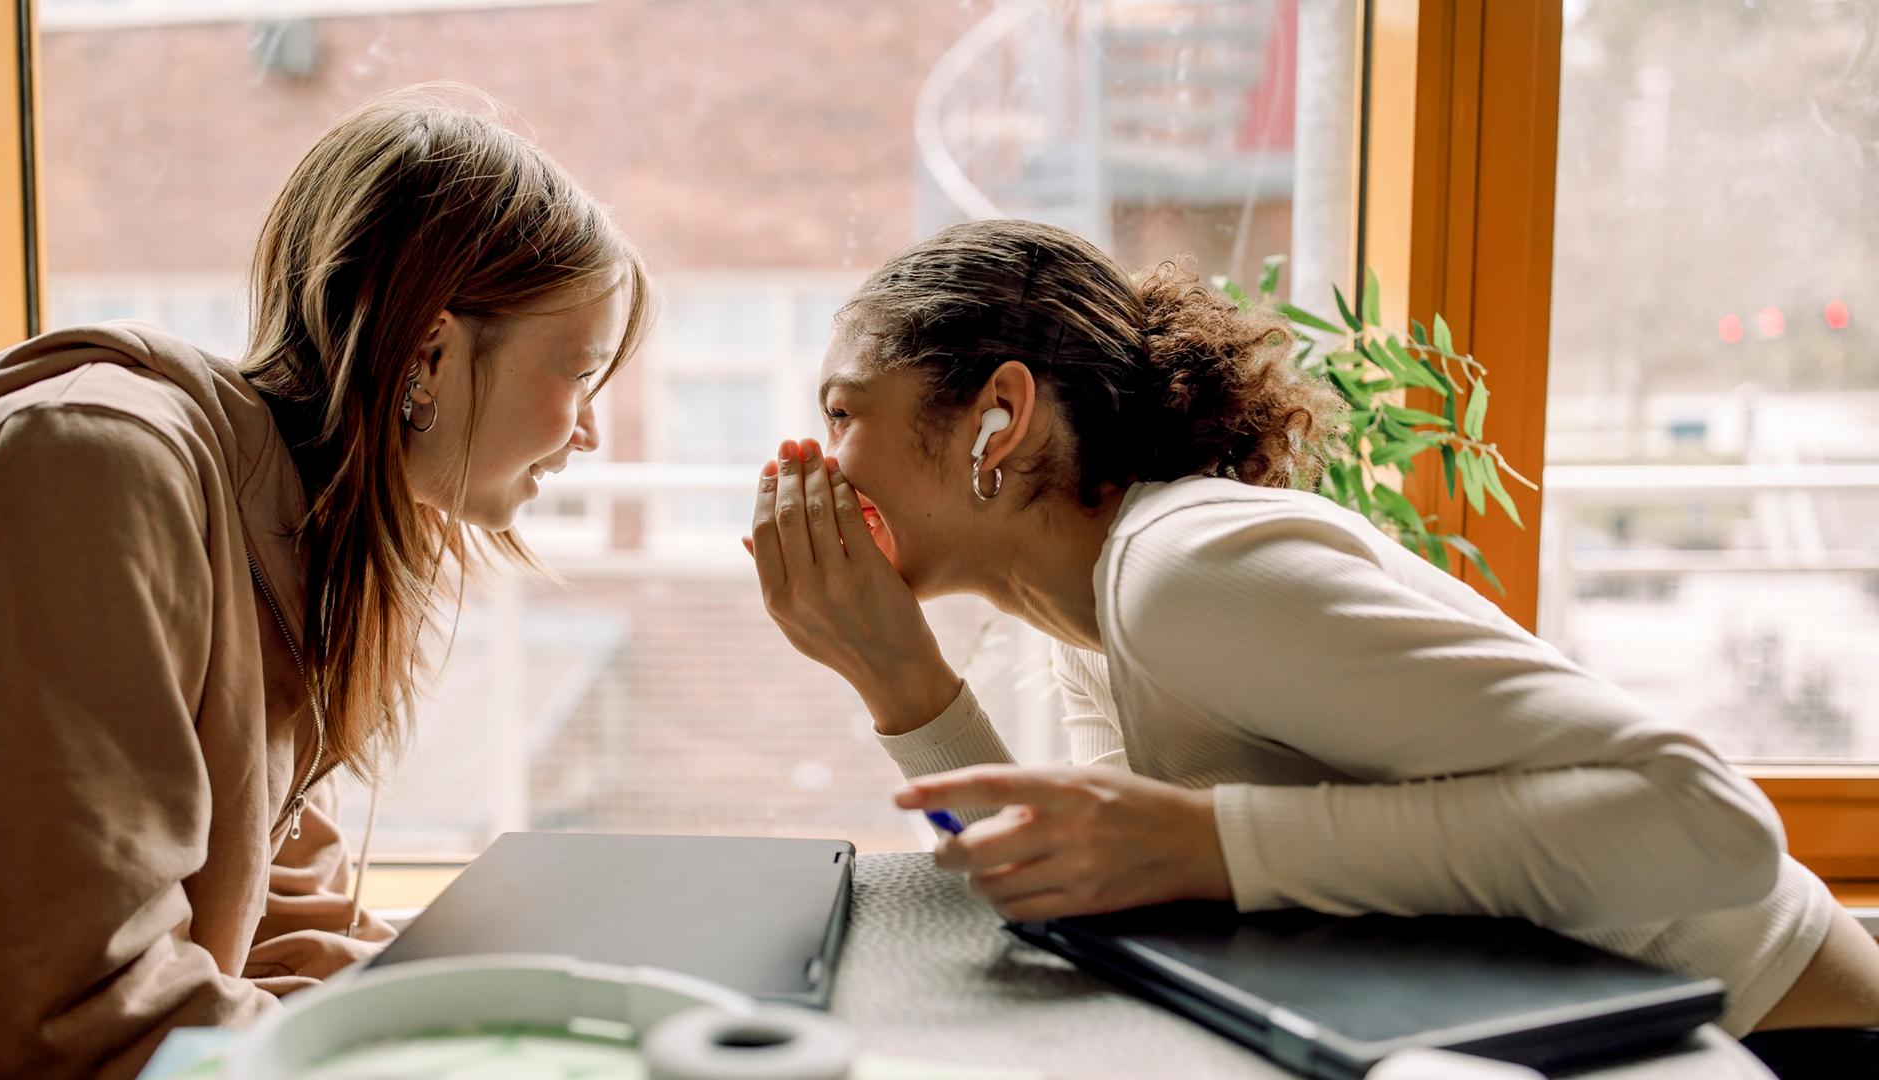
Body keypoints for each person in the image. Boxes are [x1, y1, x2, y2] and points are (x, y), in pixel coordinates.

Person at [746, 218, 1879, 1074]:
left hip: (1778, 1038)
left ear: (999, 416)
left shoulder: (1185, 571)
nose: (816, 457)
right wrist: (900, 683)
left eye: (844, 413)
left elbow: (1712, 827)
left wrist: (1215, 842)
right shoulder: (1089, 615)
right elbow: (1087, 897)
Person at [0, 85, 648, 1078]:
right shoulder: (95, 469)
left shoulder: (295, 539)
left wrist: (516, 1035)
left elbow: (286, 935)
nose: (589, 430)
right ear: (432, 352)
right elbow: (75, 1010)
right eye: (580, 373)